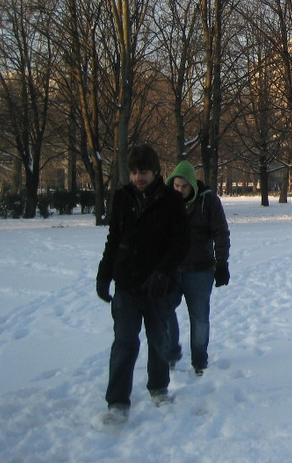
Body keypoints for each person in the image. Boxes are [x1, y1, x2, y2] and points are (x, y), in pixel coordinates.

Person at [96, 144, 190, 424]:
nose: (139, 177)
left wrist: (164, 271)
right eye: (135, 172)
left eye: (144, 172)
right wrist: (104, 275)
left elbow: (181, 242)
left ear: (156, 171)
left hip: (158, 287)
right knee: (124, 342)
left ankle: (159, 388)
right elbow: (114, 240)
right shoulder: (123, 198)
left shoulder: (171, 201)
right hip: (127, 283)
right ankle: (117, 401)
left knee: (159, 339)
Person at [165, 160, 231, 377]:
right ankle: (171, 351)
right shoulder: (164, 201)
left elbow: (221, 232)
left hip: (200, 270)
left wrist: (222, 264)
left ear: (192, 184)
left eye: (184, 186)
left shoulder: (208, 201)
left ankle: (199, 361)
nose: (180, 190)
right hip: (170, 269)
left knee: (199, 318)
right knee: (163, 311)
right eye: (176, 186)